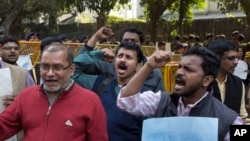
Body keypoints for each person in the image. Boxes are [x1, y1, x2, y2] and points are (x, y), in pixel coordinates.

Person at [117, 47, 243, 141]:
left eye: (188, 69)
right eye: (180, 67)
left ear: (206, 80)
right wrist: (149, 66)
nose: (179, 72)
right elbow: (125, 101)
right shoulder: (161, 101)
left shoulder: (232, 120)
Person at [0, 44, 108, 140]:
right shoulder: (26, 96)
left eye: (57, 67)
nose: (50, 73)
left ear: (71, 70)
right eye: (45, 67)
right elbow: (3, 126)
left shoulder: (90, 101)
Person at [73, 42, 148, 141]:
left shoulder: (145, 96)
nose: (123, 60)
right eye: (120, 56)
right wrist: (97, 54)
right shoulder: (100, 84)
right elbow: (73, 72)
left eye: (128, 57)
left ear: (138, 66)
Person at [79, 27, 165, 92]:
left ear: (141, 44)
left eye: (134, 41)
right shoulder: (107, 64)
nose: (129, 44)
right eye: (126, 41)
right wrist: (96, 37)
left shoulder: (154, 72)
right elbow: (79, 67)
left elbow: (160, 103)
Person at [207, 39, 248, 119]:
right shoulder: (202, 82)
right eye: (231, 58)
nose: (236, 62)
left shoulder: (238, 83)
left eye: (237, 58)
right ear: (216, 58)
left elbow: (242, 116)